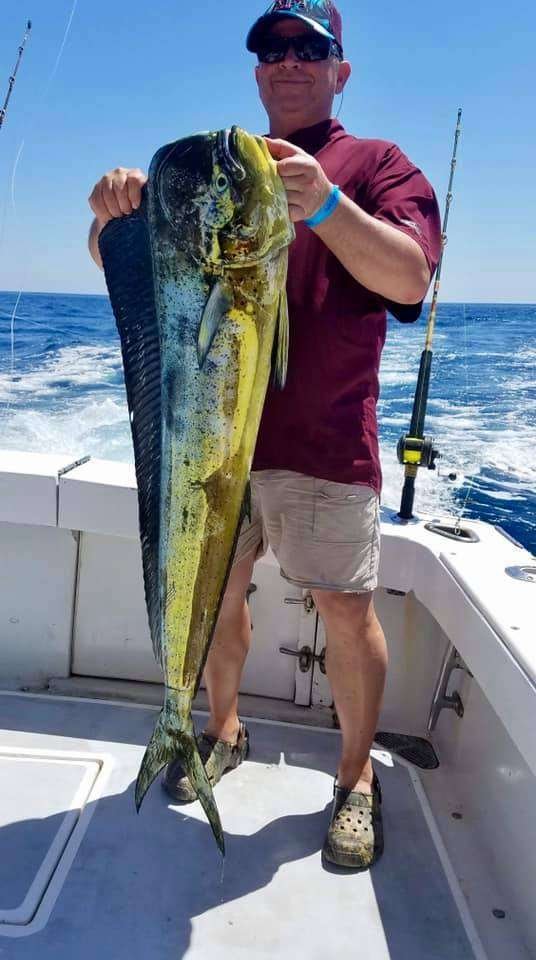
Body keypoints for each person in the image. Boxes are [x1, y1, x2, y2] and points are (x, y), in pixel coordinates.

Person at [88, 0, 442, 870]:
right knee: (219, 599)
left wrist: (324, 206)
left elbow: (410, 274)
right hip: (211, 447)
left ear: (339, 69)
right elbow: (139, 275)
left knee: (345, 610)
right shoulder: (224, 169)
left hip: (322, 442)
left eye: (308, 48)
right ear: (256, 70)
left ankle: (356, 781)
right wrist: (112, 217)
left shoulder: (375, 163)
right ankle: (222, 730)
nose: (288, 61)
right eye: (272, 48)